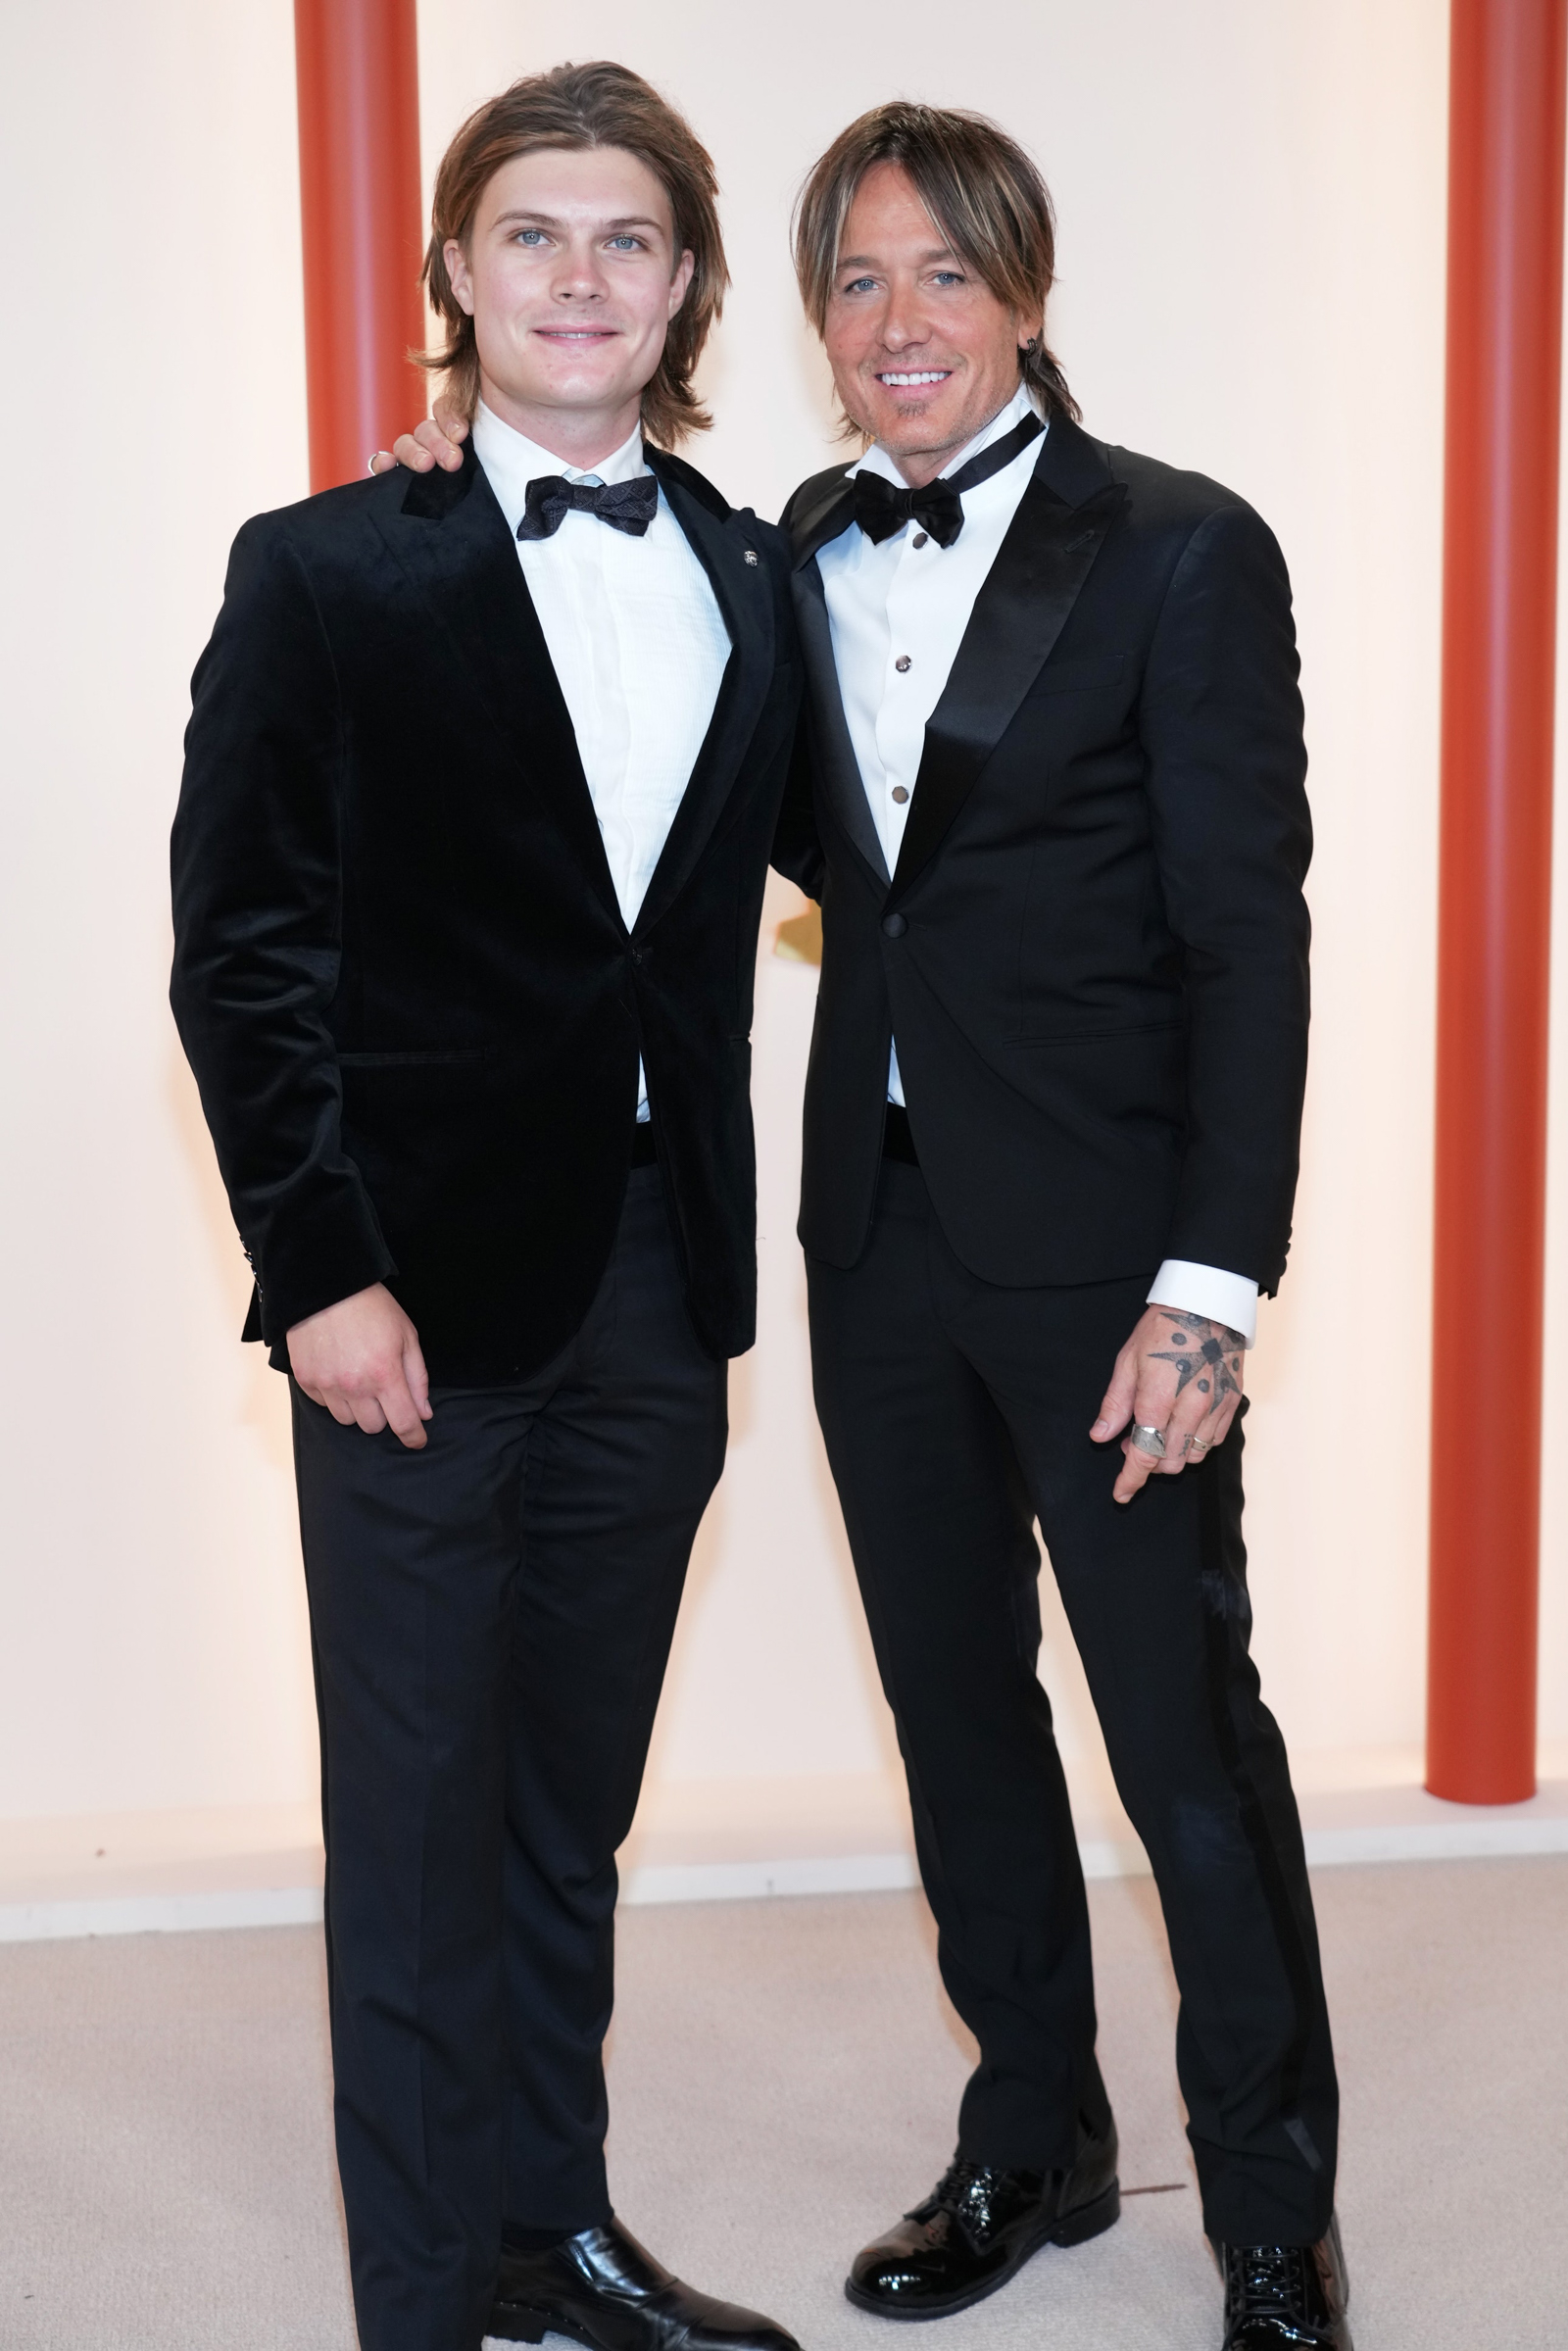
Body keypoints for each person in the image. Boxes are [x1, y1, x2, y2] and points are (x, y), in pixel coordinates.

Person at [387, 94, 1349, 2351]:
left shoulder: (1178, 547)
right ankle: (1032, 2136)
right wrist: (448, 472)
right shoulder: (784, 550)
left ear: (1020, 293)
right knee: (952, 1714)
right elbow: (644, 714)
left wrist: (1210, 1287)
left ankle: (1269, 2217)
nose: (898, 319)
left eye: (941, 271)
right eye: (853, 279)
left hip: (1113, 1262)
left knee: (1179, 1743)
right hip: (872, 1239)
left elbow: (1250, 941)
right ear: (807, 320)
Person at [172, 62, 802, 2351]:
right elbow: (241, 949)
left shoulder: (755, 571)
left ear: (684, 283)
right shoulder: (326, 564)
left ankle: (553, 2236)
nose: (578, 276)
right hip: (409, 1296)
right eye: (532, 232)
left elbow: (887, 823)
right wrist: (322, 1267)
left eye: (625, 237)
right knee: (421, 1820)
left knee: (564, 1809)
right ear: (457, 266)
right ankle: (428, 2305)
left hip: (661, 1279)